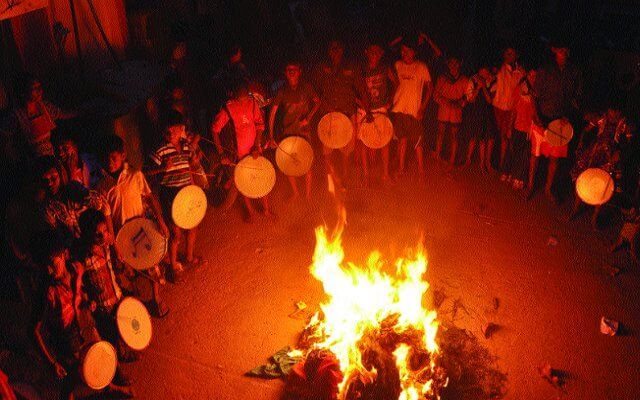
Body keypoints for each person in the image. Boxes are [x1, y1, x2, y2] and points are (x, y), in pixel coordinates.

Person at [32, 231, 133, 399]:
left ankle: (109, 387)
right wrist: (52, 362)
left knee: (96, 359)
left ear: (64, 255)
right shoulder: (47, 292)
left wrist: (88, 300)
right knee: (72, 377)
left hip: (84, 325)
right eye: (45, 266)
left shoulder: (77, 269)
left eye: (52, 263)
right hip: (65, 338)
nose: (49, 271)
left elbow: (83, 291)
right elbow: (34, 331)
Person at [95, 135, 170, 317]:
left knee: (151, 263)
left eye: (114, 158)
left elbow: (149, 197)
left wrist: (160, 221)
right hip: (121, 235)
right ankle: (134, 302)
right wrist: (114, 243)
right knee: (126, 271)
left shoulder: (135, 175)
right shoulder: (103, 186)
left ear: (123, 155)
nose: (110, 162)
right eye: (106, 158)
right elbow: (107, 216)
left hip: (141, 230)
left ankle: (157, 298)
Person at [148, 111, 207, 281]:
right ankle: (173, 266)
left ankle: (189, 257)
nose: (169, 132)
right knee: (176, 233)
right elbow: (146, 172)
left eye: (173, 129)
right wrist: (161, 168)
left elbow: (191, 164)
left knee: (192, 226)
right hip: (170, 194)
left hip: (186, 191)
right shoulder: (160, 150)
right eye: (167, 130)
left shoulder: (186, 146)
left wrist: (195, 162)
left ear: (181, 129)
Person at [74, 209, 139, 362]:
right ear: (88, 235)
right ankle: (116, 365)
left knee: (121, 326)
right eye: (98, 234)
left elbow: (112, 263)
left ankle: (124, 352)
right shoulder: (84, 259)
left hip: (116, 294)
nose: (103, 236)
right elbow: (79, 283)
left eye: (105, 231)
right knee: (110, 336)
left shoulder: (106, 244)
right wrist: (87, 299)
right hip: (103, 305)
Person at [211, 80, 274, 221]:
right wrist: (221, 153)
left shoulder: (253, 103)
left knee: (262, 178)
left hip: (255, 151)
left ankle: (266, 210)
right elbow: (215, 130)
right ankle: (251, 213)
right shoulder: (228, 108)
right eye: (240, 100)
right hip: (238, 154)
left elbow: (260, 125)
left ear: (248, 95)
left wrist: (256, 145)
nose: (243, 102)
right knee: (244, 183)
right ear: (234, 96)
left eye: (245, 99)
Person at [529, 39, 583, 201]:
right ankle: (530, 186)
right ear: (554, 50)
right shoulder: (545, 70)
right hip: (542, 119)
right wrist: (536, 117)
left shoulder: (573, 72)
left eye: (566, 50)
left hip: (560, 123)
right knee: (535, 155)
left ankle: (548, 189)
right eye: (560, 49)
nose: (563, 53)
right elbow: (534, 96)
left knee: (555, 158)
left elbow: (575, 99)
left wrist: (568, 115)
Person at [313, 40, 366, 187]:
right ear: (329, 51)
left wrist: (367, 109)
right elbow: (315, 90)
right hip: (328, 114)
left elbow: (361, 89)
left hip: (347, 113)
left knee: (346, 150)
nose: (335, 52)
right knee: (327, 150)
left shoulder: (351, 67)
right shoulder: (322, 68)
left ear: (342, 50)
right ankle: (330, 178)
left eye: (338, 49)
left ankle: (345, 177)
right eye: (333, 49)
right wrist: (321, 103)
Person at [267, 60, 320, 199]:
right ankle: (296, 193)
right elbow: (272, 114)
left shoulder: (306, 87)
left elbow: (317, 102)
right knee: (289, 163)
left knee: (307, 162)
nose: (291, 72)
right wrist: (271, 136)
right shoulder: (282, 91)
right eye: (289, 69)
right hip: (288, 132)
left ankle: (308, 195)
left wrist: (308, 117)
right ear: (285, 73)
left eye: (294, 69)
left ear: (299, 72)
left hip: (304, 132)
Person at [569, 104, 627, 228]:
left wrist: (619, 153)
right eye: (612, 110)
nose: (614, 114)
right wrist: (580, 143)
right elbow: (586, 130)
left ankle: (594, 218)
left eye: (616, 111)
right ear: (608, 110)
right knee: (583, 179)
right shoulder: (602, 118)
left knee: (604, 187)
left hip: (609, 159)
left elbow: (628, 143)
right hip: (593, 155)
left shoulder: (624, 124)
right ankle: (575, 208)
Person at [40, 156, 113, 243]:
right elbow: (57, 235)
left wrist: (111, 239)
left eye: (53, 178)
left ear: (61, 175)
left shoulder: (76, 190)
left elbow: (105, 208)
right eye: (45, 181)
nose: (49, 184)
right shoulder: (48, 207)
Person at [390, 37, 432, 179]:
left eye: (407, 51)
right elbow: (388, 49)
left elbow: (430, 88)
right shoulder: (398, 65)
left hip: (414, 110)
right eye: (402, 51)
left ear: (414, 52)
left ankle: (421, 172)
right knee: (402, 140)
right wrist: (401, 38)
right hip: (399, 108)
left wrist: (422, 108)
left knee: (418, 142)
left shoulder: (421, 67)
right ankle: (401, 169)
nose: (404, 53)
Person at [7, 75, 76, 159]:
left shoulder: (45, 107)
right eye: (34, 88)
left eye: (39, 87)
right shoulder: (15, 116)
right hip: (30, 161)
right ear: (23, 92)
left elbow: (63, 114)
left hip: (50, 157)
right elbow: (7, 140)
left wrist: (83, 111)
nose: (39, 90)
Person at [357, 42, 396, 183]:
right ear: (366, 52)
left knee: (384, 141)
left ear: (381, 53)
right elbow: (355, 88)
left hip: (381, 108)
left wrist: (390, 100)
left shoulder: (385, 68)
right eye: (371, 51)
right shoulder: (361, 69)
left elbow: (396, 82)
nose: (374, 54)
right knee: (364, 142)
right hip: (364, 109)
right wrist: (362, 105)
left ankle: (385, 174)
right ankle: (366, 175)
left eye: (377, 51)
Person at [490, 48, 525, 174]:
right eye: (507, 53)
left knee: (507, 137)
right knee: (498, 136)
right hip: (498, 106)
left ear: (516, 55)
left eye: (511, 53)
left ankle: (503, 165)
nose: (509, 56)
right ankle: (496, 163)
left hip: (511, 108)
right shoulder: (499, 68)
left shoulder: (520, 72)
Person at [434, 56, 469, 167]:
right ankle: (437, 156)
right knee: (440, 133)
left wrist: (461, 102)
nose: (453, 66)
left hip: (456, 111)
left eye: (456, 63)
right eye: (451, 63)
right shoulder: (442, 78)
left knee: (455, 135)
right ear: (448, 64)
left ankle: (452, 159)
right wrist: (444, 101)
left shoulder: (464, 79)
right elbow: (435, 94)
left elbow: (468, 95)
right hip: (444, 109)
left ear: (459, 64)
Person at [507, 68, 536, 190]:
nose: (533, 78)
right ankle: (512, 174)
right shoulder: (520, 89)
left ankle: (519, 179)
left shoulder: (537, 92)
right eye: (531, 75)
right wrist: (509, 127)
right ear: (527, 75)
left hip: (530, 129)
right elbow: (513, 109)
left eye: (535, 76)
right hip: (518, 125)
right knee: (516, 152)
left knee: (525, 155)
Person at [463, 65, 496, 172]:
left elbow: (489, 100)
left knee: (483, 138)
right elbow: (471, 99)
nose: (485, 75)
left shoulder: (491, 81)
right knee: (473, 137)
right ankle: (468, 159)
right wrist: (478, 87)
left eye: (487, 73)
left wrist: (484, 87)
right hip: (475, 112)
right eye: (483, 73)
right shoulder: (472, 80)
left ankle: (483, 163)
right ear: (479, 71)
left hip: (486, 113)